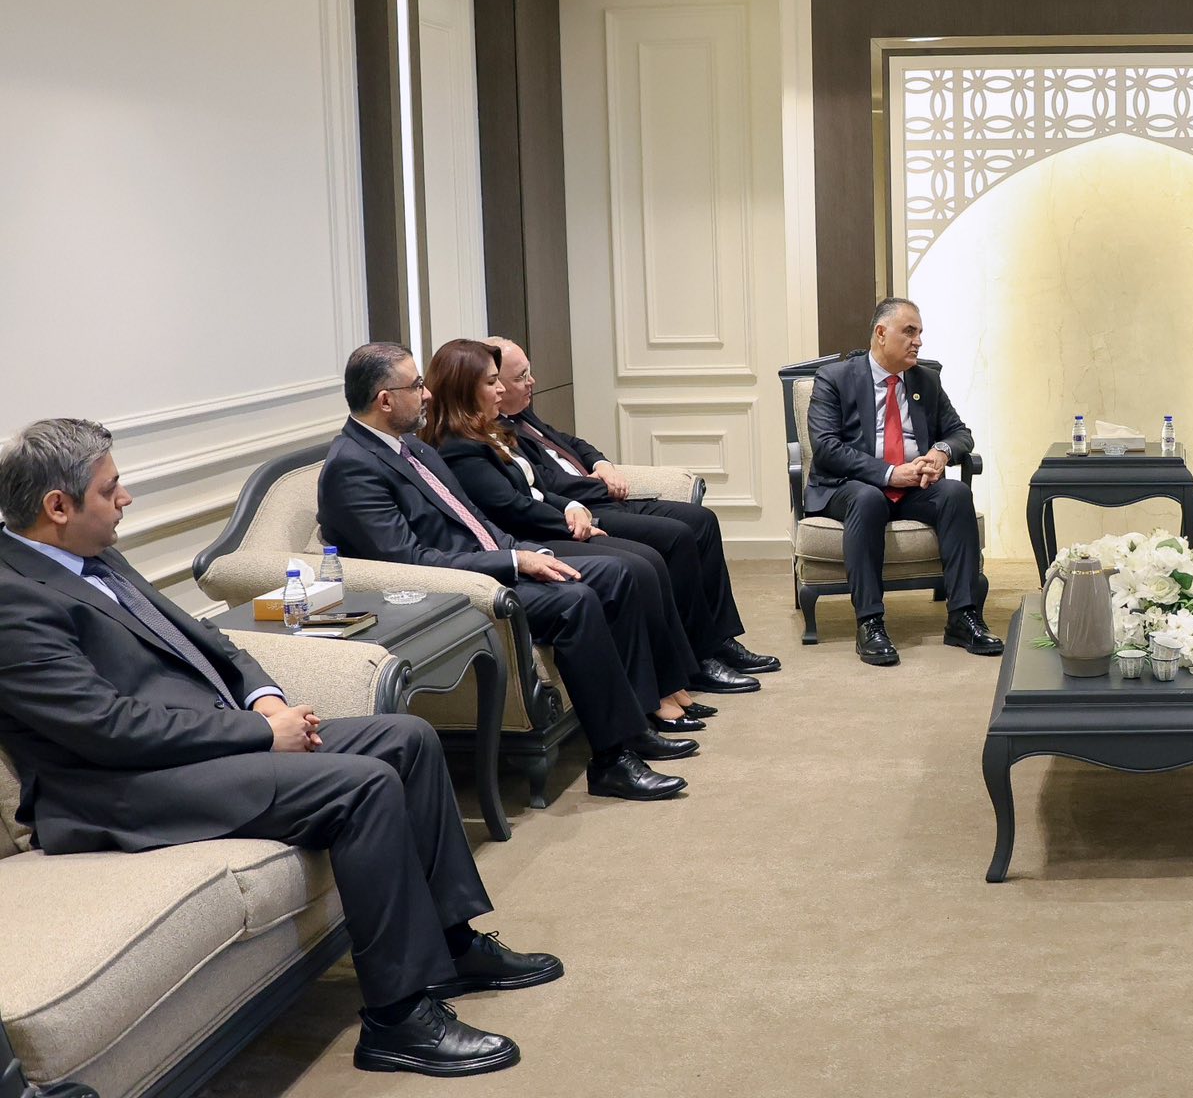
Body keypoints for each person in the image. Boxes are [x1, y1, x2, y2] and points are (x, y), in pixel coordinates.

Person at [0, 418, 562, 1077]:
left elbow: (208, 640)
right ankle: (398, 1018)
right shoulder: (14, 602)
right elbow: (108, 729)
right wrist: (262, 734)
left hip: (202, 743)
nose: (125, 499)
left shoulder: (96, 554)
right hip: (119, 788)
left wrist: (262, 698)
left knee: (406, 738)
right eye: (110, 489)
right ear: (58, 506)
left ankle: (452, 944)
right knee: (362, 785)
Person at [318, 343, 695, 802]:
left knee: (615, 574)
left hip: (492, 563)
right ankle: (612, 762)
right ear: (385, 400)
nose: (428, 394)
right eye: (416, 386)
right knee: (575, 601)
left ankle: (635, 727)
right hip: (452, 592)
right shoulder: (352, 467)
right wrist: (514, 562)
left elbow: (473, 518)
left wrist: (525, 550)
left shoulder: (410, 447)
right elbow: (409, 560)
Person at [421, 339, 723, 731]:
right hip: (529, 536)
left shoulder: (490, 429)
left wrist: (570, 507)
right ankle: (656, 698)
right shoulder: (458, 447)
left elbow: (537, 486)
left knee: (650, 559)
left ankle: (673, 683)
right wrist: (569, 519)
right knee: (639, 565)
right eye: (493, 382)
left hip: (554, 519)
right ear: (465, 389)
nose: (502, 389)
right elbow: (512, 508)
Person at [488, 335, 777, 691]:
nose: (531, 382)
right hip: (584, 512)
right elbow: (549, 485)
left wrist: (602, 464)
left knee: (701, 521)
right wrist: (602, 488)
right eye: (520, 377)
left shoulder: (523, 413)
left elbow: (572, 443)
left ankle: (720, 639)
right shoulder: (497, 432)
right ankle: (701, 659)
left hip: (599, 498)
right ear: (495, 384)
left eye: (529, 372)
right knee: (676, 536)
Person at [804, 297, 1001, 666]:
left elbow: (960, 433)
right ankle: (870, 623)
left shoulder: (926, 380)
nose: (918, 341)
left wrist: (940, 453)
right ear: (881, 333)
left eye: (920, 333)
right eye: (909, 332)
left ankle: (963, 617)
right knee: (868, 499)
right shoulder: (835, 378)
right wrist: (890, 473)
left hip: (912, 487)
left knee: (956, 493)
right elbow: (826, 448)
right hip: (850, 485)